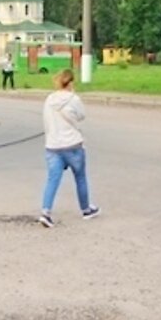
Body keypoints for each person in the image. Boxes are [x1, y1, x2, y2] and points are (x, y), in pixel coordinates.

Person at [40, 68, 99, 228]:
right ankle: (86, 209)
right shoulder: (74, 99)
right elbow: (81, 116)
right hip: (73, 144)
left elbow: (46, 121)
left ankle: (45, 212)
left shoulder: (49, 99)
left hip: (53, 145)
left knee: (52, 179)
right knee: (80, 177)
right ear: (71, 82)